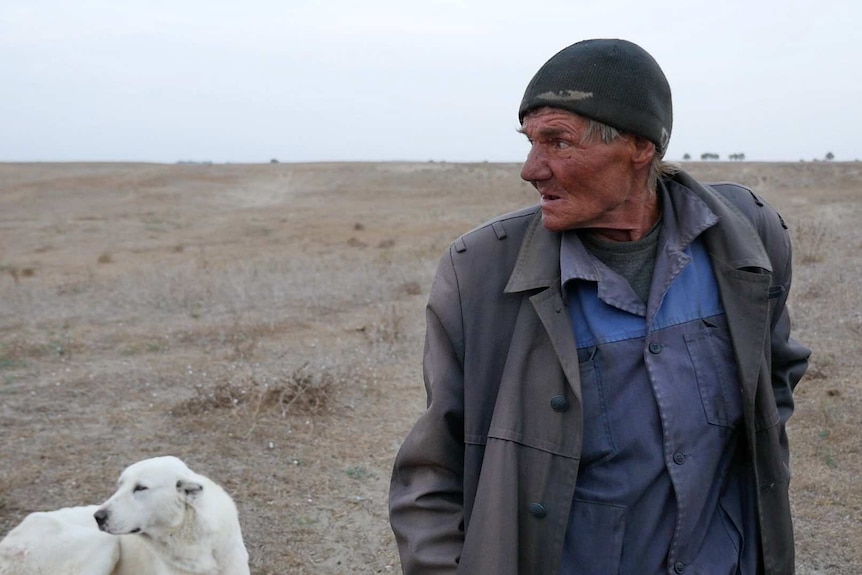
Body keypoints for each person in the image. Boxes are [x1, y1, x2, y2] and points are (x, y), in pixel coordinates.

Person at [389, 38, 811, 575]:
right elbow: (432, 473)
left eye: (557, 142)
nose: (531, 169)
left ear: (640, 147)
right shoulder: (479, 274)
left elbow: (772, 377)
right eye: (530, 141)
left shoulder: (746, 236)